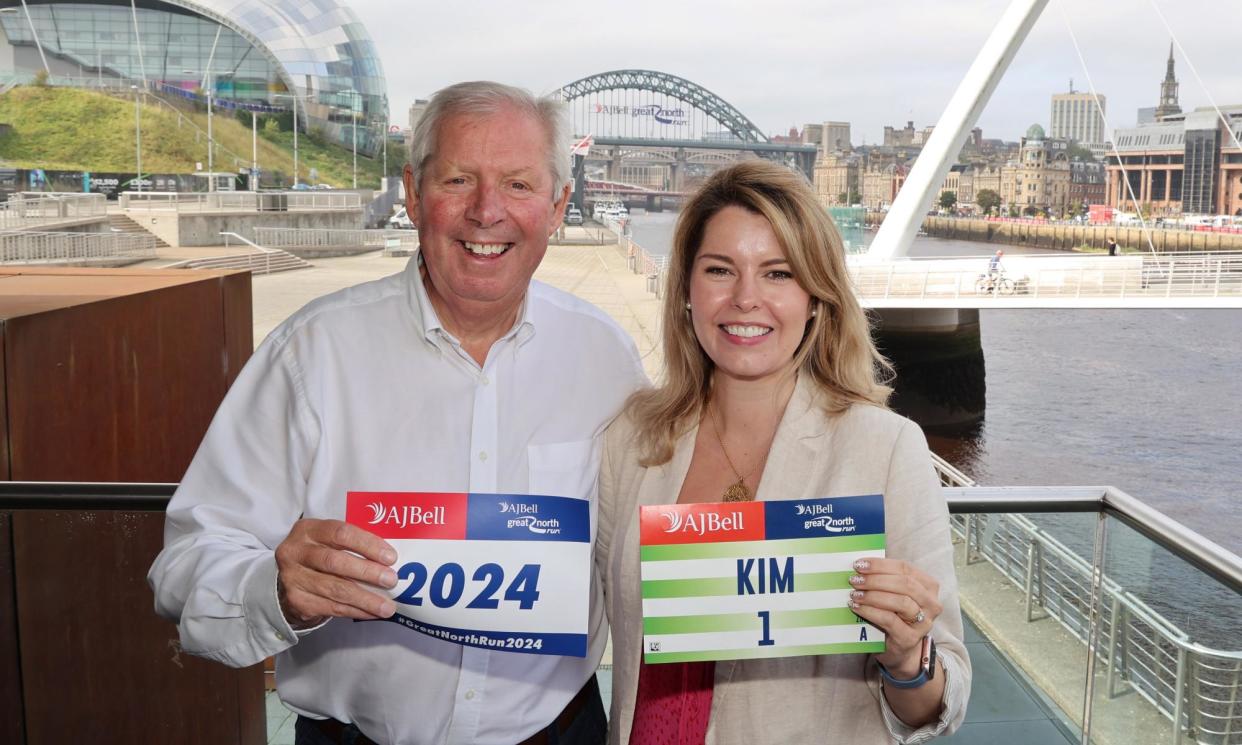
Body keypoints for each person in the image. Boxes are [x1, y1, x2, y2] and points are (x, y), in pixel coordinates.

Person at [148, 81, 646, 745]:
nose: (486, 212)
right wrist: (277, 588)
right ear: (413, 194)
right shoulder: (313, 351)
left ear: (557, 205)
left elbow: (645, 537)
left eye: (519, 185)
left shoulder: (605, 355)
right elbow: (186, 565)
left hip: (560, 731)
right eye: (459, 179)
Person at [596, 161, 970, 744]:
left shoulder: (886, 448)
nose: (747, 299)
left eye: (778, 274)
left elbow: (938, 705)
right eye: (720, 269)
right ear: (688, 291)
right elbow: (581, 609)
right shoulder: (633, 438)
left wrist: (907, 660)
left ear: (816, 298)